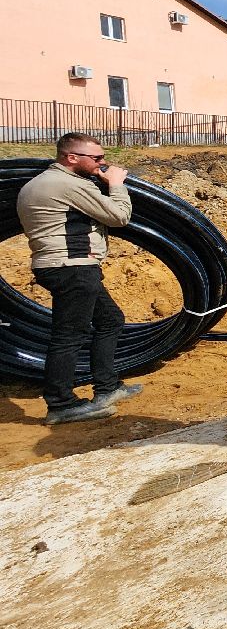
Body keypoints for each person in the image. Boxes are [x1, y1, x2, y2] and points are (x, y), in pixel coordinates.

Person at [16, 133, 139, 424]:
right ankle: (60, 404)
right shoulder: (66, 184)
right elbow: (119, 216)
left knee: (111, 320)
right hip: (72, 268)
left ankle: (107, 388)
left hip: (65, 267)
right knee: (69, 336)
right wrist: (117, 185)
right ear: (71, 158)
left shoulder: (41, 183)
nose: (102, 163)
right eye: (96, 158)